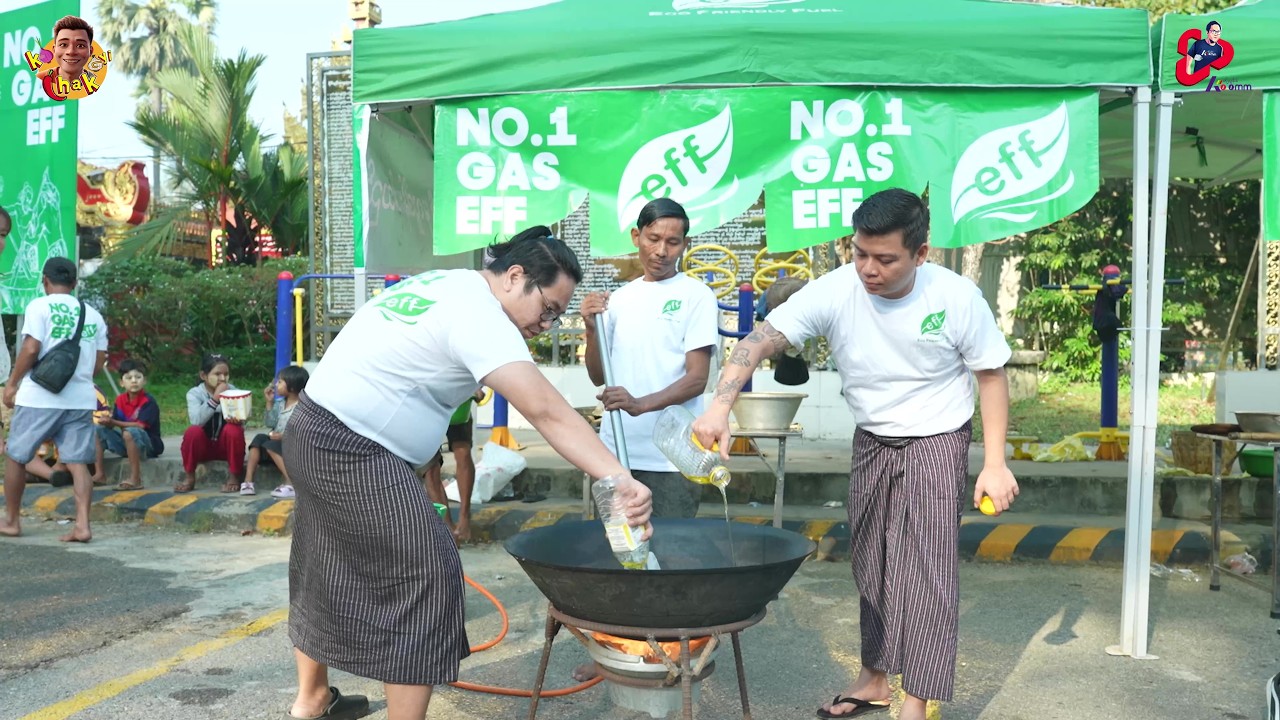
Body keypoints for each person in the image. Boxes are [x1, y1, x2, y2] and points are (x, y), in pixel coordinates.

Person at [285, 225, 653, 720]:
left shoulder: (446, 283)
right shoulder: (481, 314)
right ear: (515, 275)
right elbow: (546, 410)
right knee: (427, 573)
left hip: (313, 429)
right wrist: (618, 477)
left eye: (557, 317)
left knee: (323, 560)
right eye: (547, 309)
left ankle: (312, 700)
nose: (547, 325)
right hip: (353, 449)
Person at [692, 189, 1018, 720]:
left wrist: (996, 462)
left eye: (885, 258)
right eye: (860, 253)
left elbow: (990, 375)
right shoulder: (836, 289)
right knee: (871, 563)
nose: (869, 269)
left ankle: (917, 697)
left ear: (921, 253)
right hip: (872, 438)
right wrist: (718, 407)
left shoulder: (956, 297)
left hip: (938, 437)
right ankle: (874, 679)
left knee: (927, 569)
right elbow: (760, 339)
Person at [580, 198, 718, 518]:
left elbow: (696, 379)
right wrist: (590, 329)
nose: (661, 251)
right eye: (653, 239)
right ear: (636, 237)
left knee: (671, 555)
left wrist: (640, 405)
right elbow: (598, 376)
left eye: (672, 242)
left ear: (686, 244)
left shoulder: (696, 296)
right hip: (616, 455)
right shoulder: (619, 300)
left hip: (671, 457)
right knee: (619, 557)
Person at [1, 257, 109, 543]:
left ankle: (12, 521)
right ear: (74, 283)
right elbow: (99, 363)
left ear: (45, 280)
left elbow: (31, 347)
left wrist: (12, 384)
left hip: (39, 397)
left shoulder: (39, 306)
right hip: (80, 398)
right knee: (77, 461)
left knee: (16, 454)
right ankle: (83, 526)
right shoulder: (93, 315)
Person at [422, 388, 486, 541]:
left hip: (458, 403)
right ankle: (448, 528)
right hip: (427, 405)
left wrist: (476, 386)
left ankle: (464, 517)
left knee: (463, 452)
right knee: (431, 468)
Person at [176, 354, 245, 494]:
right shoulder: (195, 393)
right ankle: (189, 476)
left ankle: (234, 477)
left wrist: (238, 419)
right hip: (204, 446)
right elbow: (196, 420)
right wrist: (215, 399)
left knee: (234, 429)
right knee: (192, 431)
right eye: (217, 374)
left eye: (226, 374)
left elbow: (243, 419)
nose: (222, 378)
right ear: (203, 375)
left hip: (224, 447)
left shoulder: (234, 391)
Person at [94, 359, 163, 490]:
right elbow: (112, 423)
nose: (134, 381)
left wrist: (113, 422)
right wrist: (106, 420)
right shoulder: (120, 400)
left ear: (144, 380)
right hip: (127, 443)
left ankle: (136, 479)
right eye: (128, 378)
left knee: (130, 432)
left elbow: (140, 426)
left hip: (149, 446)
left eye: (138, 377)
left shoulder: (148, 401)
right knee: (97, 429)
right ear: (121, 382)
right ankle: (99, 474)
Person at [239, 365, 308, 497]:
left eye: (280, 382)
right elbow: (270, 423)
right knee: (259, 438)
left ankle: (291, 484)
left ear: (292, 387)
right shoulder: (280, 403)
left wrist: (283, 436)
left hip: (292, 449)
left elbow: (304, 432)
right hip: (274, 447)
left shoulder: (302, 407)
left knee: (270, 444)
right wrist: (269, 403)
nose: (276, 384)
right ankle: (248, 481)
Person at [41, 16, 94, 101]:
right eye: (63, 45)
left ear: (90, 51)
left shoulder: (97, 86)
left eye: (80, 45)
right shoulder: (41, 80)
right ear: (54, 50)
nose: (71, 51)